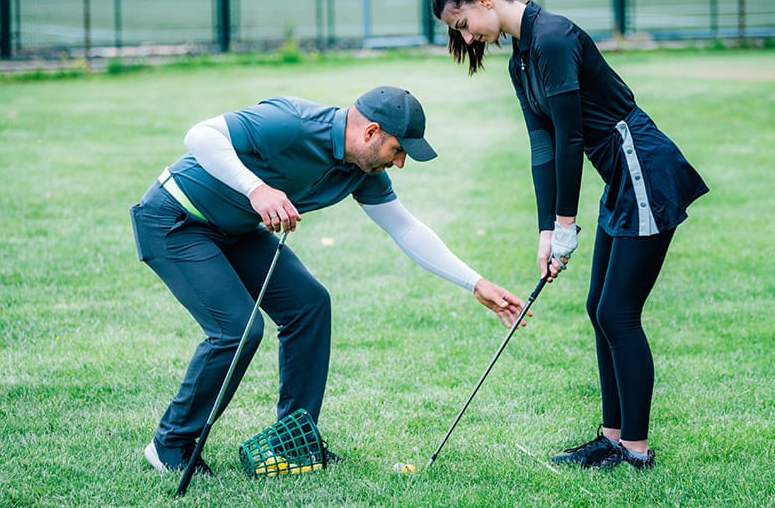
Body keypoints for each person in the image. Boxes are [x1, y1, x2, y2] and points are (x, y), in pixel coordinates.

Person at [130, 85, 525, 474]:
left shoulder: (361, 169)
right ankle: (171, 445)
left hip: (236, 230)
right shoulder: (293, 121)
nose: (401, 162)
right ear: (371, 132)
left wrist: (475, 282)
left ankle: (292, 441)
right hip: (176, 219)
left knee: (309, 304)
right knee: (236, 330)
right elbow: (199, 135)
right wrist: (258, 190)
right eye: (398, 150)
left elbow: (404, 228)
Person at [431, 0, 709, 470]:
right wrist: (545, 231)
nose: (467, 38)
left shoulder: (554, 37)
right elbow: (542, 143)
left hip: (642, 167)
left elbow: (571, 137)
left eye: (464, 24)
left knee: (617, 312)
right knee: (597, 308)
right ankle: (611, 437)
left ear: (484, 0)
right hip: (620, 178)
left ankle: (636, 449)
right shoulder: (520, 58)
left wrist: (565, 223)